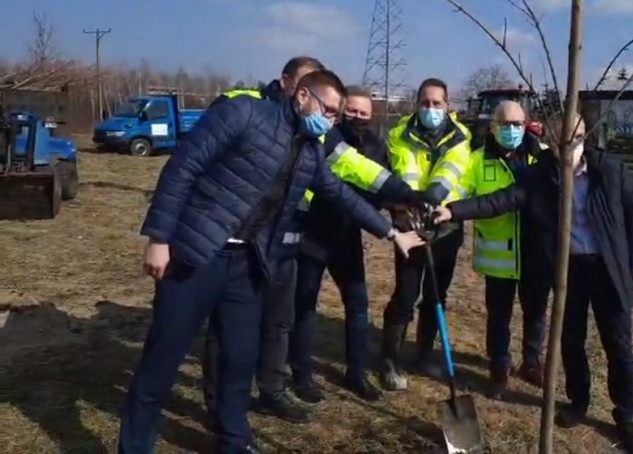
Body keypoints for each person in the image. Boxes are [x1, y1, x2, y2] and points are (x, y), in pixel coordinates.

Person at [119, 69, 424, 454]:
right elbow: (183, 167)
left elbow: (341, 195)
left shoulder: (310, 151)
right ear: (301, 96)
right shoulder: (244, 114)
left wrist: (392, 232)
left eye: (336, 115)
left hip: (247, 263)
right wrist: (159, 239)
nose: (331, 120)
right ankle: (134, 445)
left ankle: (233, 442)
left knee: (239, 360)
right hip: (195, 255)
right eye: (328, 110)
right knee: (162, 361)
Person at [432, 113, 633, 453]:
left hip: (609, 268)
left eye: (574, 140)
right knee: (571, 342)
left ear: (585, 137)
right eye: (560, 141)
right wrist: (452, 211)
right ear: (549, 139)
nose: (568, 148)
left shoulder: (610, 169)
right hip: (568, 271)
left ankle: (625, 416)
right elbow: (499, 200)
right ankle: (578, 402)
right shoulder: (539, 175)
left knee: (617, 344)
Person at [201, 56, 326, 425]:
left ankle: (272, 390)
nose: (310, 96)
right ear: (286, 82)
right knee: (225, 327)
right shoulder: (244, 107)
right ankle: (216, 404)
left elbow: (341, 170)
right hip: (238, 240)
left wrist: (399, 194)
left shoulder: (311, 129)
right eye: (304, 85)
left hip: (285, 240)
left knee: (278, 320)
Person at [288, 86, 412, 407]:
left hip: (347, 236)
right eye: (351, 111)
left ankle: (356, 372)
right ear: (342, 111)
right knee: (305, 304)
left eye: (364, 113)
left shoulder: (376, 146)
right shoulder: (326, 138)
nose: (357, 117)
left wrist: (402, 213)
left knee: (358, 306)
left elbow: (382, 186)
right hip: (312, 233)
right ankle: (301, 374)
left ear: (372, 116)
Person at [450, 100, 552, 399]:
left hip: (536, 254)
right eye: (505, 124)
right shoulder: (477, 160)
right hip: (497, 258)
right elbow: (461, 190)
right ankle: (499, 368)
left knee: (536, 313)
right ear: (493, 127)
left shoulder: (543, 157)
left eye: (517, 124)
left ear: (527, 125)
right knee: (498, 316)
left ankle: (531, 364)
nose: (511, 129)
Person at [380, 77, 473, 391]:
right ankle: (390, 359)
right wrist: (403, 211)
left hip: (445, 227)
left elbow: (452, 172)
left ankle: (424, 353)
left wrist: (434, 200)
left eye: (437, 103)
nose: (431, 108)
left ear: (447, 106)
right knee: (405, 294)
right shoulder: (398, 136)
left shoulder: (461, 137)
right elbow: (397, 175)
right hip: (410, 227)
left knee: (436, 294)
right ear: (416, 104)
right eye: (425, 102)